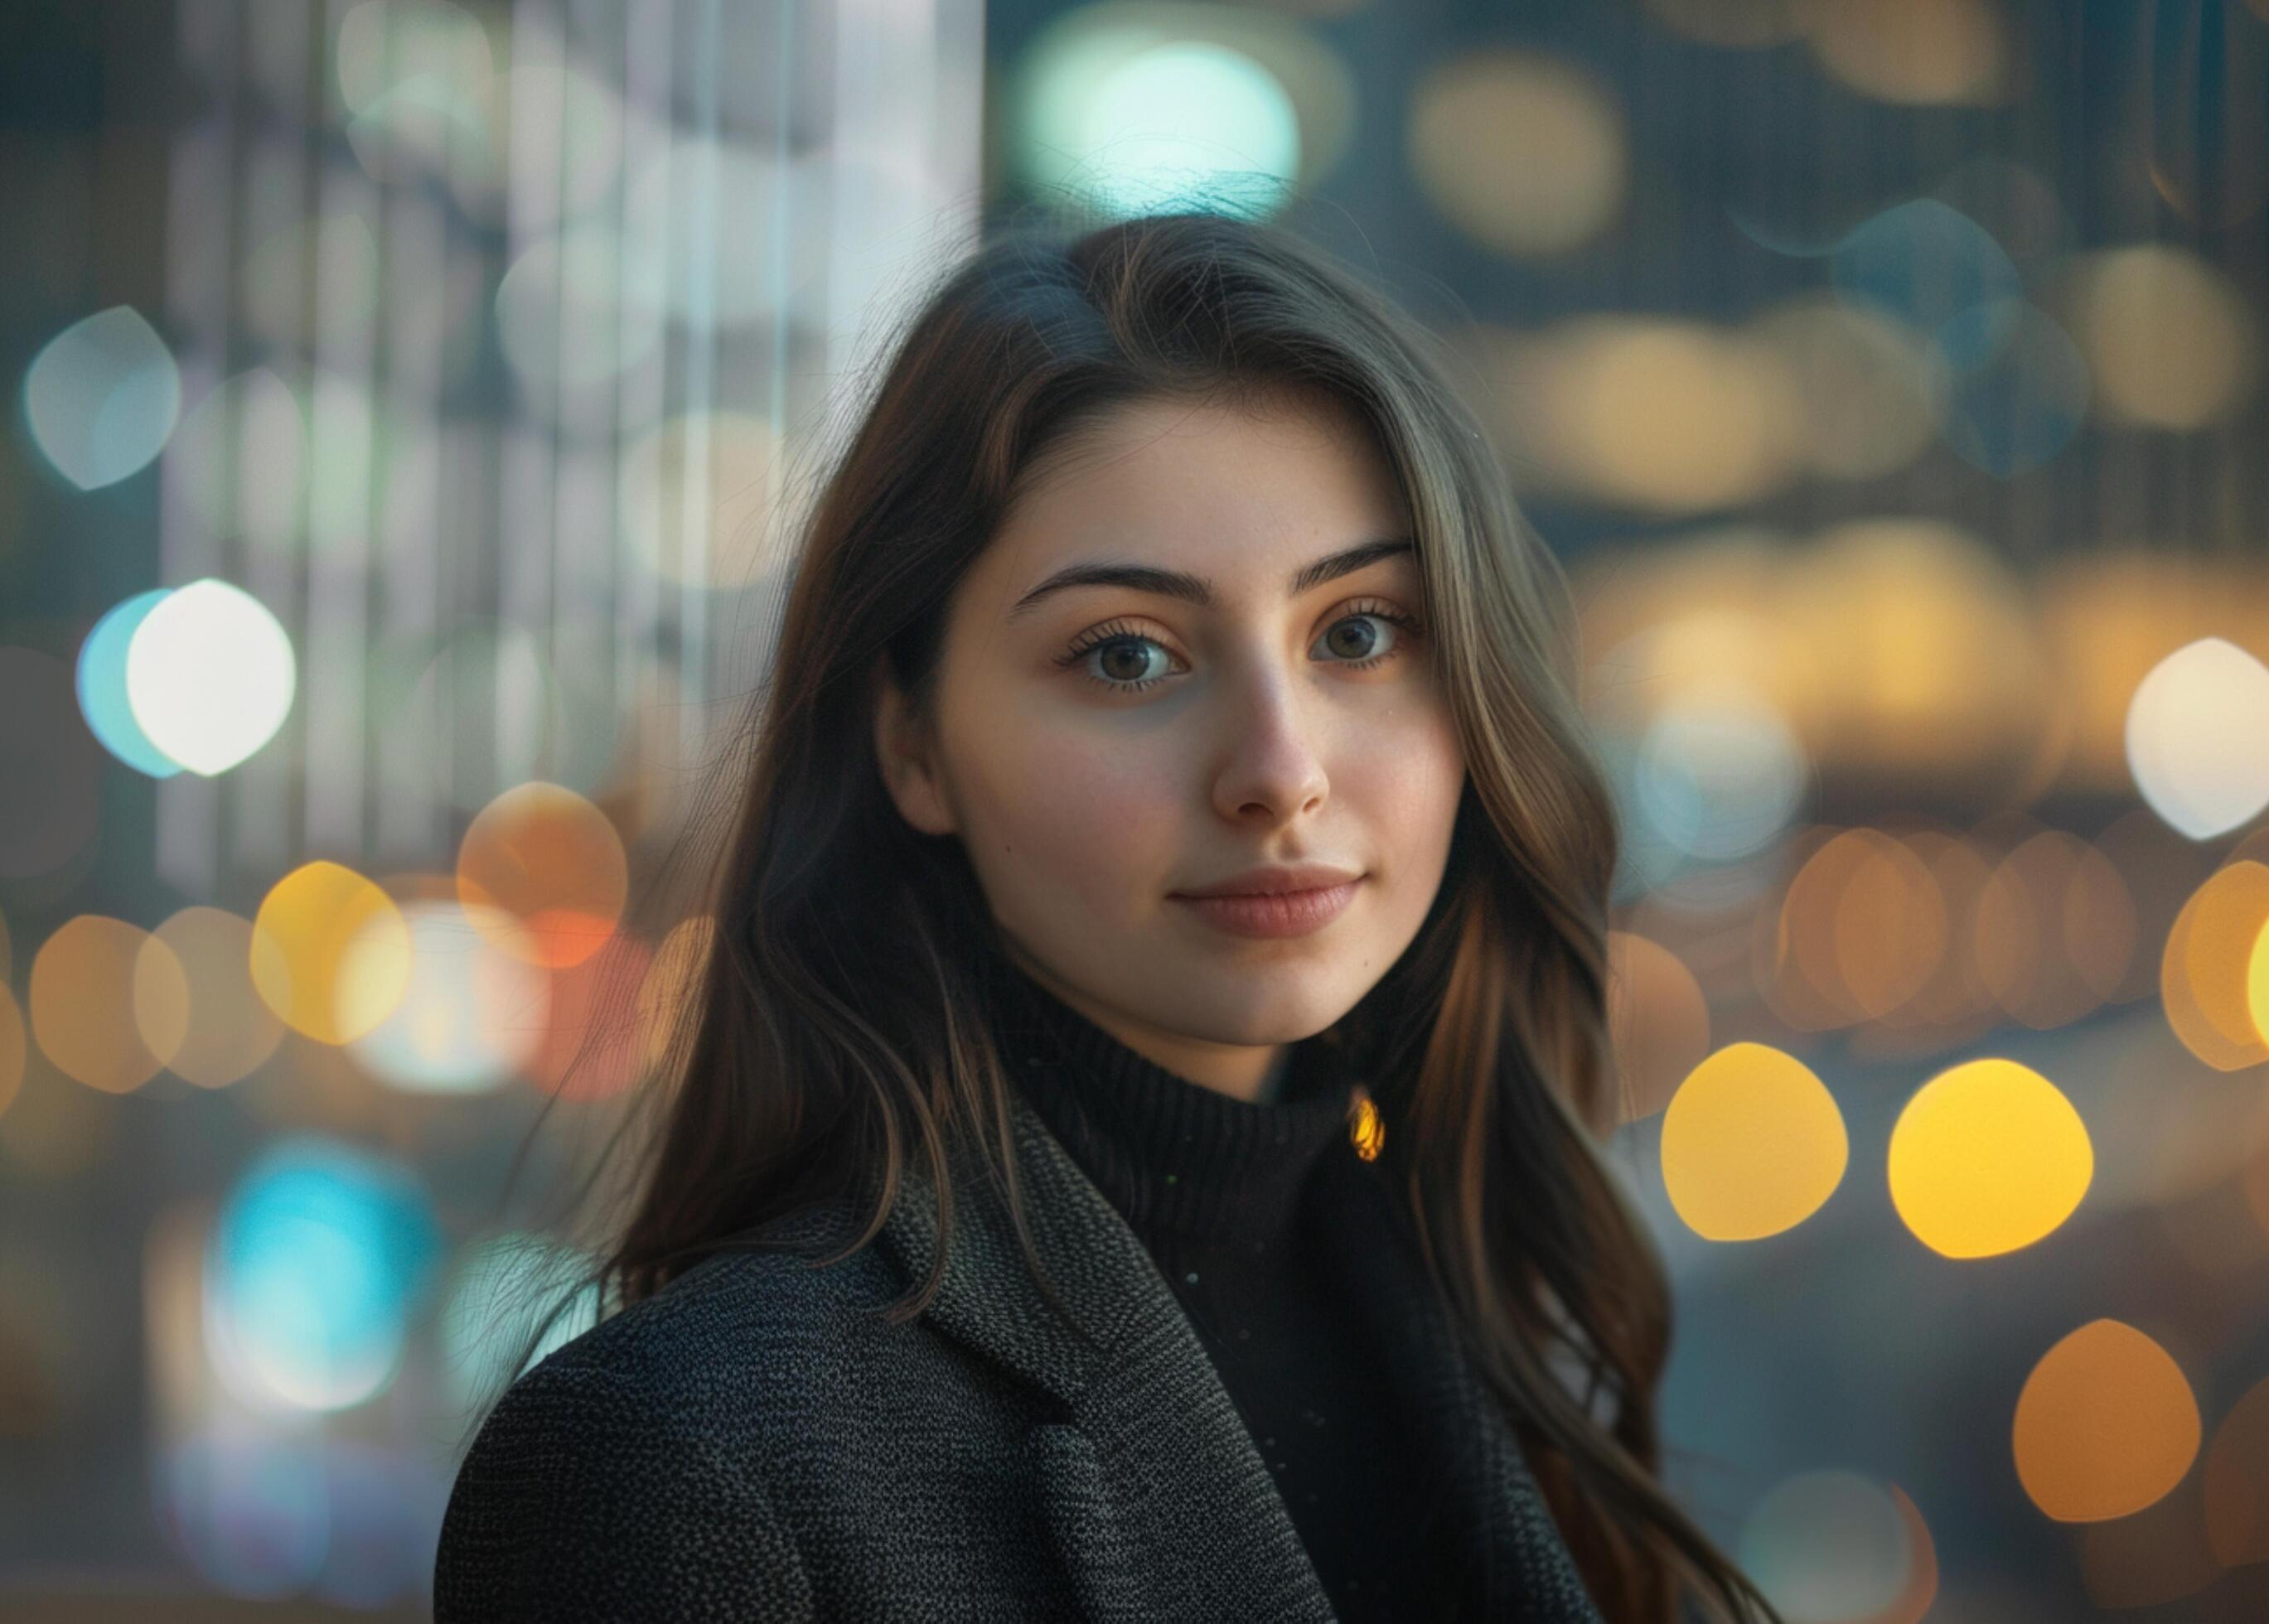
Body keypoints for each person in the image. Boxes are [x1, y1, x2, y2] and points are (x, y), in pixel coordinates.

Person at [432, 205, 1783, 1623]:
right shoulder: (682, 1463)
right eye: (1129, 655)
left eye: (1360, 632)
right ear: (913, 743)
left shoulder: (1502, 1349)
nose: (1279, 771)